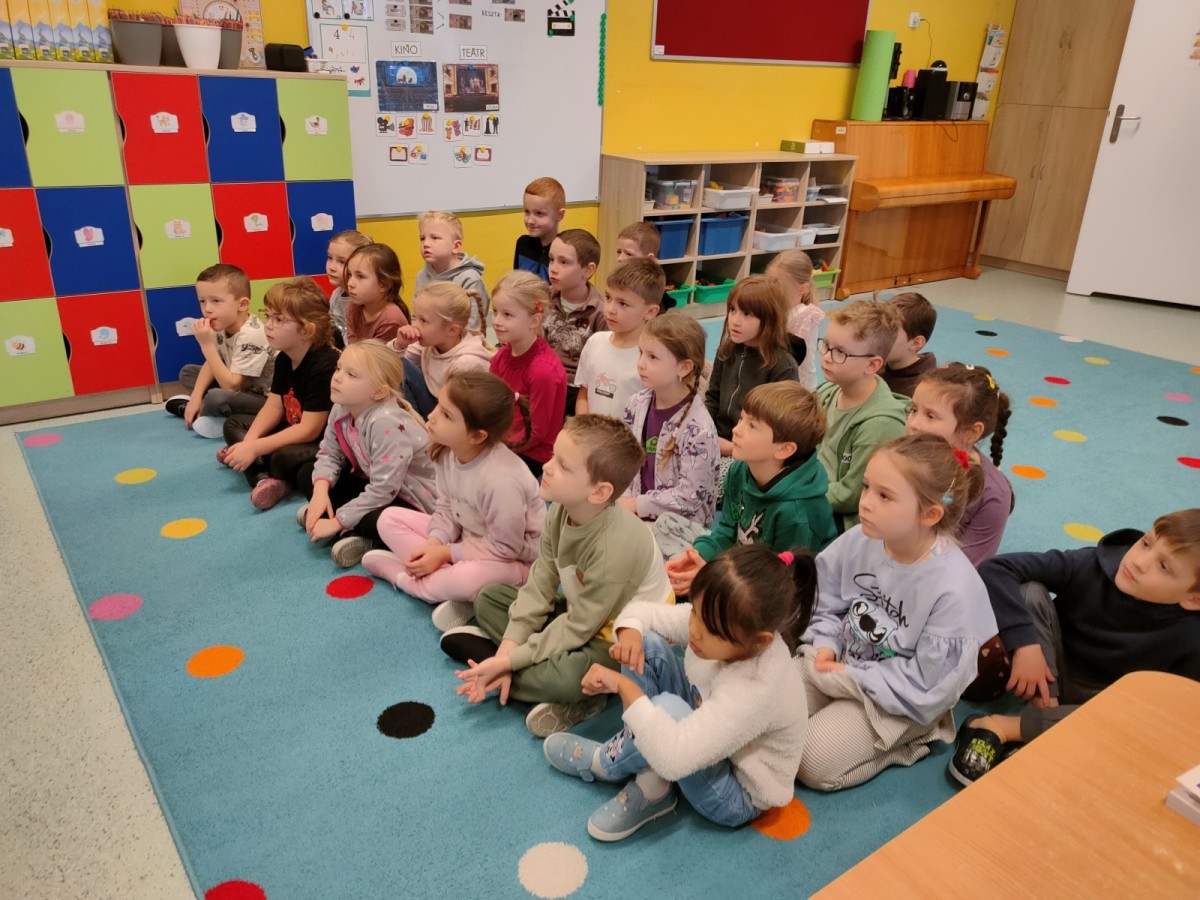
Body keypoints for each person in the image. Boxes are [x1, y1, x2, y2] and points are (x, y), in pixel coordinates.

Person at [544, 544, 815, 842]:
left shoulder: (756, 687)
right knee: (645, 645)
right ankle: (649, 771)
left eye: (710, 628)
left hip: (735, 792)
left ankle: (612, 767)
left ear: (758, 641)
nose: (695, 630)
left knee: (667, 710)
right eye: (695, 610)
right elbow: (642, 612)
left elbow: (674, 759)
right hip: (707, 726)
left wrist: (624, 687)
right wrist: (630, 635)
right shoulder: (723, 621)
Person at [441, 415, 671, 737]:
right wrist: (509, 655)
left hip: (620, 639)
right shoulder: (561, 510)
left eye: (563, 466)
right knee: (489, 598)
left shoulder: (614, 549)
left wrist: (508, 660)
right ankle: (503, 663)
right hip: (583, 613)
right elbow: (539, 586)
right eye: (553, 457)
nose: (547, 467)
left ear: (599, 492)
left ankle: (504, 668)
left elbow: (579, 628)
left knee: (567, 679)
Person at [795, 433, 995, 791]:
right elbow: (824, 598)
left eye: (884, 496)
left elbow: (927, 682)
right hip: (840, 662)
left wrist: (853, 677)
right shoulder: (862, 538)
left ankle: (915, 737)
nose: (865, 503)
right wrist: (825, 643)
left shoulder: (953, 588)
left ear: (930, 514)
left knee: (811, 760)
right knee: (766, 709)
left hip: (900, 697)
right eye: (867, 487)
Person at [949, 509, 1200, 786]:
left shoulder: (1192, 636)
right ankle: (1038, 726)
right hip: (1049, 672)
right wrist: (1026, 644)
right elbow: (997, 569)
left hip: (1106, 703)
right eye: (1146, 543)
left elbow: (1173, 713)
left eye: (1164, 567)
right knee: (1030, 591)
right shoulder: (1092, 563)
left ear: (1194, 599)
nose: (1140, 562)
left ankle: (1004, 727)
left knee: (1136, 721)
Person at [364, 371, 545, 631]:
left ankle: (406, 579)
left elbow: (506, 548)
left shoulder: (502, 480)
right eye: (439, 405)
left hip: (517, 563)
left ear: (477, 436)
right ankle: (443, 583)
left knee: (466, 579)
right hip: (468, 539)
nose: (431, 416)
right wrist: (434, 544)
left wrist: (446, 553)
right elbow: (446, 508)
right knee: (388, 519)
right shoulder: (448, 451)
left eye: (447, 415)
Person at [664, 381, 837, 592]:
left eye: (752, 426)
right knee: (665, 524)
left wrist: (714, 576)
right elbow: (726, 531)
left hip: (781, 590)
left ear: (784, 449)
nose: (736, 430)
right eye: (741, 419)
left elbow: (785, 585)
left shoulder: (798, 514)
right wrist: (698, 556)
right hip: (743, 565)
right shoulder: (739, 470)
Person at [300, 340, 436, 568]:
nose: (337, 377)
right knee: (308, 475)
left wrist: (338, 522)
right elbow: (329, 453)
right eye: (338, 368)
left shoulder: (386, 422)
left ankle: (357, 534)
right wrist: (319, 493)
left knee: (378, 520)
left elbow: (384, 489)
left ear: (379, 391)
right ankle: (336, 518)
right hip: (379, 485)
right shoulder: (342, 405)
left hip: (414, 500)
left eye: (351, 375)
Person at [218, 278, 339, 510]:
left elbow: (310, 429)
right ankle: (264, 478)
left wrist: (255, 448)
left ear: (307, 330)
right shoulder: (284, 356)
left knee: (283, 457)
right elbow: (274, 407)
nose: (268, 325)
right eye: (268, 316)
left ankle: (265, 472)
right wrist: (250, 442)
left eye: (279, 320)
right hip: (293, 427)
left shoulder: (325, 364)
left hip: (320, 440)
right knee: (233, 424)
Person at [618, 314, 719, 534]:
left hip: (680, 529)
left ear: (684, 367)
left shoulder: (699, 429)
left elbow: (690, 497)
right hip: (634, 514)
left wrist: (636, 504)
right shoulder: (636, 404)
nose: (641, 363)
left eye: (653, 357)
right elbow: (623, 459)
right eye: (641, 353)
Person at [906, 363, 1013, 567]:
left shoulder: (993, 496)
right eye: (913, 410)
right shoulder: (900, 456)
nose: (913, 424)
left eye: (930, 416)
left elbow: (967, 567)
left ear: (971, 432)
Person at [815, 299, 908, 532]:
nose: (826, 356)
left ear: (872, 365)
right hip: (812, 487)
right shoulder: (829, 391)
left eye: (840, 352)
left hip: (840, 519)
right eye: (826, 345)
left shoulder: (880, 424)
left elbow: (850, 495)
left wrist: (796, 492)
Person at [165, 263, 275, 439]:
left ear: (242, 304)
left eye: (216, 301)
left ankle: (210, 415)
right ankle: (199, 407)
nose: (207, 309)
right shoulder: (222, 324)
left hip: (265, 399)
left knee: (216, 397)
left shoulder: (252, 334)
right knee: (188, 373)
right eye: (202, 301)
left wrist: (206, 345)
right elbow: (213, 362)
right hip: (239, 389)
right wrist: (196, 396)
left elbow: (231, 386)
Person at [704, 276, 799, 470]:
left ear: (769, 319)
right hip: (718, 439)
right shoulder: (727, 350)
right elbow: (712, 397)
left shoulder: (783, 366)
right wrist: (703, 431)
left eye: (747, 314)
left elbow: (778, 429)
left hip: (752, 454)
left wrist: (731, 448)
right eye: (733, 310)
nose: (735, 321)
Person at [487, 271, 567, 478]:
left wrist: (497, 451)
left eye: (507, 315)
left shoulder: (543, 371)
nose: (496, 321)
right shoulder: (500, 358)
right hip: (504, 444)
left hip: (533, 454)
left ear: (534, 320)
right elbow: (492, 407)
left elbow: (537, 433)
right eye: (495, 312)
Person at [387, 281, 493, 417]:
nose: (415, 325)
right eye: (415, 317)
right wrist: (400, 345)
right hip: (438, 405)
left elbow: (460, 412)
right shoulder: (432, 342)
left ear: (452, 330)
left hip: (451, 414)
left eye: (423, 320)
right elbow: (387, 362)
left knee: (402, 367)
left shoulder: (466, 363)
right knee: (397, 364)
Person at [575, 257, 662, 417]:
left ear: (650, 312)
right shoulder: (594, 342)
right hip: (590, 431)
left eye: (623, 303)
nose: (610, 309)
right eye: (608, 297)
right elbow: (584, 396)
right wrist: (584, 427)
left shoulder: (654, 359)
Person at [544, 228, 606, 412]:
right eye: (551, 259)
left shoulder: (600, 311)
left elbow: (600, 363)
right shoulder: (542, 297)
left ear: (588, 270)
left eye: (564, 262)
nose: (553, 268)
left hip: (574, 387)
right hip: (541, 375)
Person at [412, 210, 490, 334]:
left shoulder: (469, 279)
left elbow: (474, 327)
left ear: (456, 247)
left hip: (463, 341)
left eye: (435, 238)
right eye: (422, 238)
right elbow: (417, 317)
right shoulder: (422, 277)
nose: (425, 244)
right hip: (429, 340)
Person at [766, 250, 824, 390]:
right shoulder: (770, 308)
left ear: (802, 289)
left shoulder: (807, 316)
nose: (771, 290)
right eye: (769, 282)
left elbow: (805, 362)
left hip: (796, 386)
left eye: (777, 285)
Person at [344, 243, 410, 344]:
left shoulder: (390, 321)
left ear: (384, 284)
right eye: (349, 274)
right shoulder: (353, 307)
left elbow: (377, 354)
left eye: (360, 276)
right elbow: (351, 346)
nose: (350, 283)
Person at [880, 291, 937, 398]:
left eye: (890, 333)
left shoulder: (923, 389)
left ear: (915, 343)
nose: (877, 337)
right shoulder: (878, 362)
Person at [325, 229, 373, 348]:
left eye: (341, 262)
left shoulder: (364, 301)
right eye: (330, 258)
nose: (332, 267)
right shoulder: (337, 294)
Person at [514, 176, 566, 282]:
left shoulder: (567, 252)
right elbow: (516, 284)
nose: (530, 220)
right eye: (527, 211)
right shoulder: (522, 243)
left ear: (559, 215)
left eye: (539, 213)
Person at [614, 221, 674, 311]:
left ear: (649, 259)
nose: (620, 258)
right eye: (619, 252)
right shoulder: (619, 279)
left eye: (629, 254)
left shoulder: (650, 291)